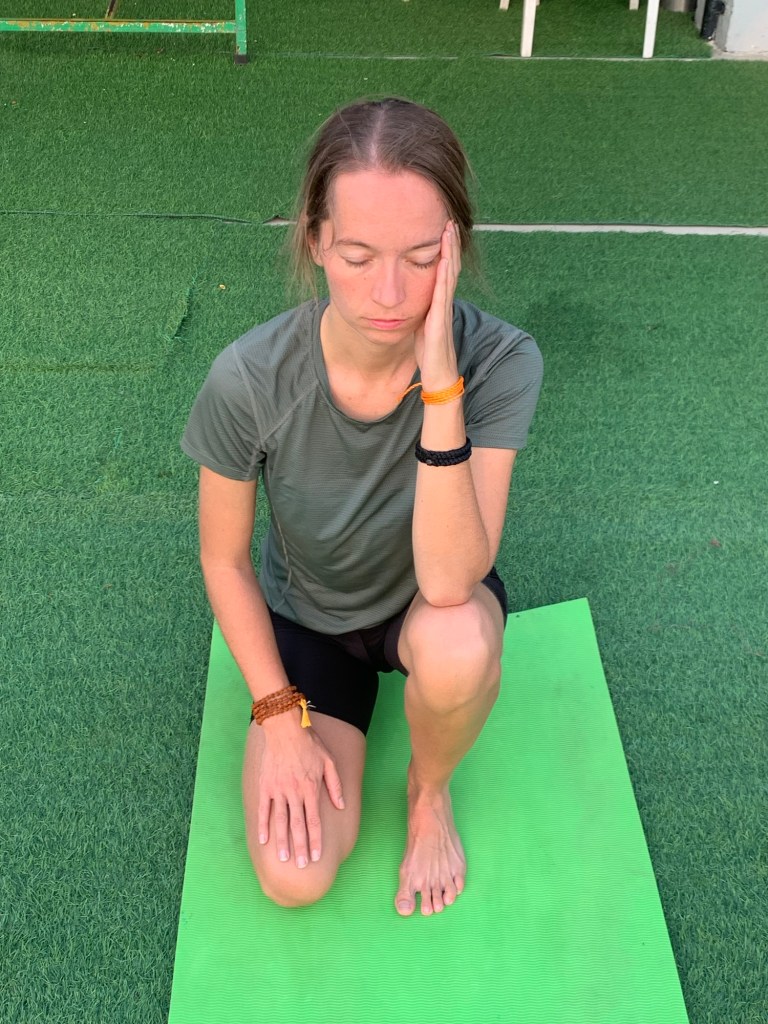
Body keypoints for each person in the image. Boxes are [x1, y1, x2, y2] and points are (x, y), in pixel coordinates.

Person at [181, 96, 543, 917]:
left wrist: (440, 380)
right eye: (356, 255)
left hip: (427, 608)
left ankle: (429, 789)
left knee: (457, 640)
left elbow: (451, 581)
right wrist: (279, 719)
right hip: (311, 626)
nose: (389, 292)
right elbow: (223, 560)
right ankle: (335, 711)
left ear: (456, 245)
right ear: (315, 241)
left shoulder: (502, 360)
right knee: (294, 876)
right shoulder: (249, 379)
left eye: (421, 258)